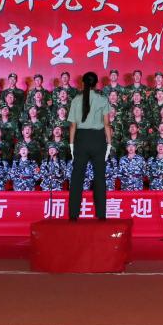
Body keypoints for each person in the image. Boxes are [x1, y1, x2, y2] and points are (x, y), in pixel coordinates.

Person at [68, 71, 112, 220]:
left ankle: (73, 215)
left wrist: (71, 145)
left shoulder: (76, 100)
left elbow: (72, 126)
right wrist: (109, 144)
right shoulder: (102, 99)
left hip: (81, 139)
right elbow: (107, 124)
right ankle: (101, 215)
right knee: (99, 178)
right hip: (98, 139)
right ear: (96, 84)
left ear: (83, 83)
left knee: (77, 178)